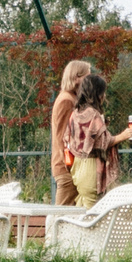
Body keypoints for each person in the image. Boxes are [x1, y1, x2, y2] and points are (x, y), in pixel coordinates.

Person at [62, 69, 132, 204]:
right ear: (97, 93)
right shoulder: (94, 115)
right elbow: (104, 142)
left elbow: (68, 137)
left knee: (82, 204)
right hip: (90, 167)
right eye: (103, 92)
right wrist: (124, 135)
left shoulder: (75, 113)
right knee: (92, 210)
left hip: (77, 166)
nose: (104, 96)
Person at [47, 58, 95, 205]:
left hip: (75, 166)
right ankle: (49, 229)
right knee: (60, 216)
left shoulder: (74, 98)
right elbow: (64, 138)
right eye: (88, 76)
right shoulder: (66, 100)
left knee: (72, 215)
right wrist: (71, 167)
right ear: (76, 78)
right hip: (68, 168)